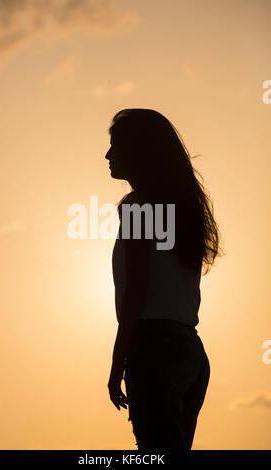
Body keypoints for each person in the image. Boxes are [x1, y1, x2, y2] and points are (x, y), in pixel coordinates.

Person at [106, 108, 223, 450]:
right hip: (191, 351)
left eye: (116, 145)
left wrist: (117, 364)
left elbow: (137, 290)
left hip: (156, 350)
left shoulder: (138, 208)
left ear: (138, 151)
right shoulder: (184, 210)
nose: (108, 155)